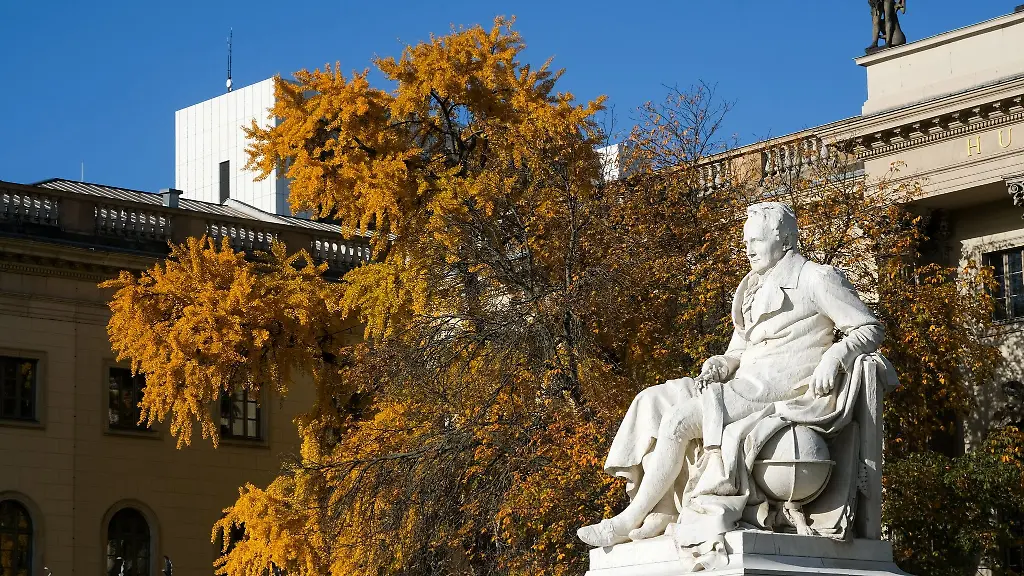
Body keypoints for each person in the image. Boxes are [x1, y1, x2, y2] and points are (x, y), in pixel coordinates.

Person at [577, 202, 884, 547]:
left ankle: (628, 519)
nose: (748, 249)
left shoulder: (816, 278)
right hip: (745, 382)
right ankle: (661, 510)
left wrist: (836, 356)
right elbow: (738, 350)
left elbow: (869, 328)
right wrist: (720, 364)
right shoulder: (752, 286)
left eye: (756, 240)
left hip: (781, 384)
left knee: (679, 420)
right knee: (652, 401)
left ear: (784, 239)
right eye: (745, 241)